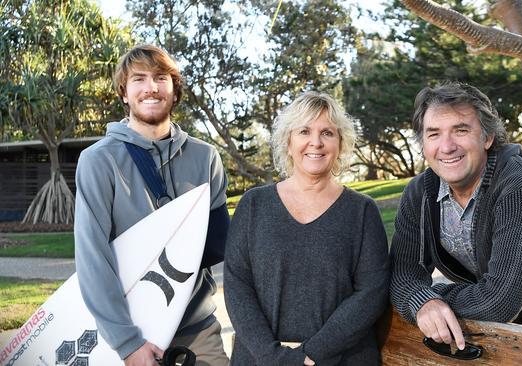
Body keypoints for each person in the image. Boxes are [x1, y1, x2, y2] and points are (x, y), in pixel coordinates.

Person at [389, 82, 522, 351]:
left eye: (461, 130)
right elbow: (402, 272)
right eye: (433, 134)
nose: (446, 146)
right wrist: (421, 300)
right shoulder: (419, 192)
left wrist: (429, 298)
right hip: (494, 295)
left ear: (487, 137)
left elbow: (498, 302)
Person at [74, 44, 230, 366]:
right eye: (139, 79)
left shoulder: (205, 157)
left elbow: (216, 246)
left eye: (161, 78)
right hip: (133, 334)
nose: (151, 88)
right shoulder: (98, 161)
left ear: (174, 92)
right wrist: (128, 343)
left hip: (197, 329)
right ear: (124, 93)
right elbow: (93, 258)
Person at [223, 91, 390, 366]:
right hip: (259, 360)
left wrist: (312, 354)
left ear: (340, 143)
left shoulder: (361, 211)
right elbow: (237, 287)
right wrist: (274, 358)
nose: (316, 142)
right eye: (304, 131)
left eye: (327, 133)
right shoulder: (254, 205)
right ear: (288, 142)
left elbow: (372, 292)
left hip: (342, 359)